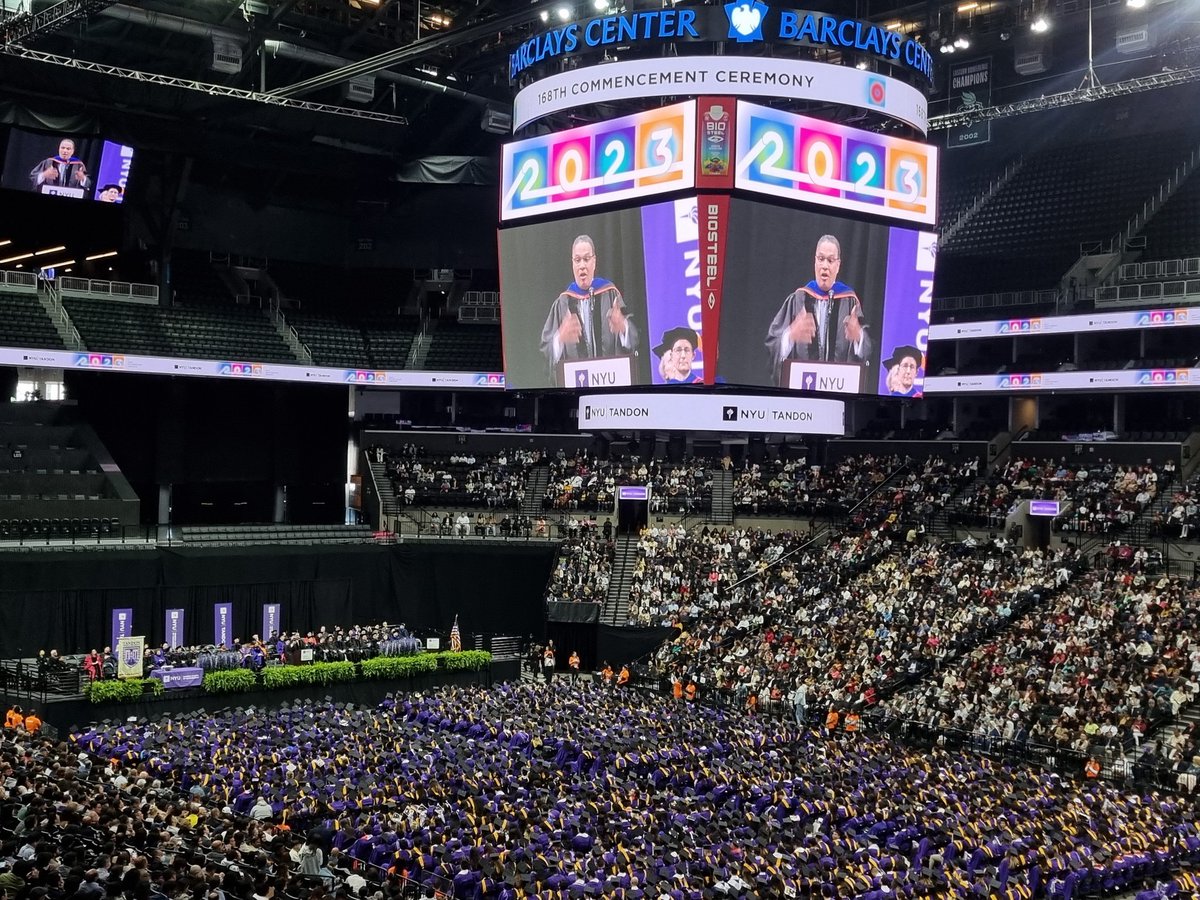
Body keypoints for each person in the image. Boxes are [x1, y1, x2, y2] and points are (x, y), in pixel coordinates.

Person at [765, 234, 872, 383]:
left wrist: (858, 337)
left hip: (838, 388)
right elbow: (772, 345)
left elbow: (868, 350)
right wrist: (790, 335)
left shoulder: (850, 302)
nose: (825, 266)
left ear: (838, 265)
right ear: (815, 262)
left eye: (830, 260)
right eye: (821, 259)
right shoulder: (798, 300)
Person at [539, 235, 638, 384]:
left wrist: (623, 327)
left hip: (610, 382)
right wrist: (559, 338)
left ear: (594, 261)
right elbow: (545, 353)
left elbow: (635, 340)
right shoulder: (563, 303)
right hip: (577, 385)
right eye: (577, 260)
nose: (582, 266)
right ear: (572, 263)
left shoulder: (611, 295)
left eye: (586, 259)